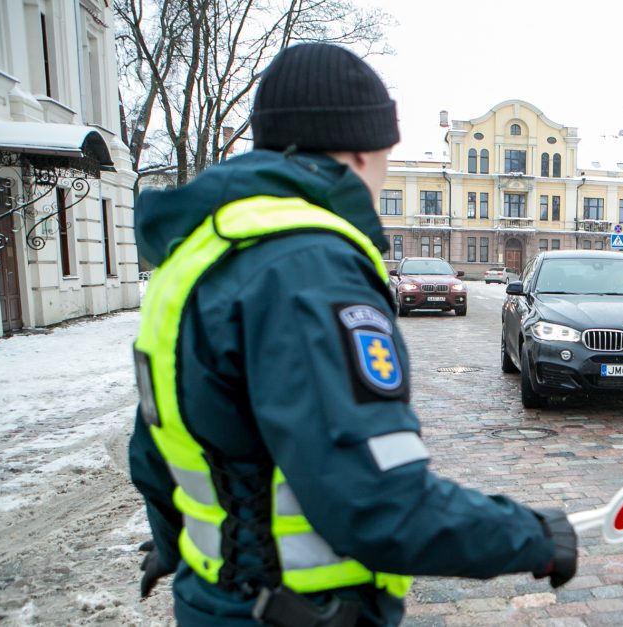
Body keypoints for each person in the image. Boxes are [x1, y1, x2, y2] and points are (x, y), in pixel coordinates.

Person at [129, 43, 577, 627]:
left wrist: (173, 541)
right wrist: (528, 535)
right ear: (362, 150)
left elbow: (156, 445)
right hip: (301, 611)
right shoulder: (309, 268)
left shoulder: (198, 254)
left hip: (214, 597)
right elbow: (377, 501)